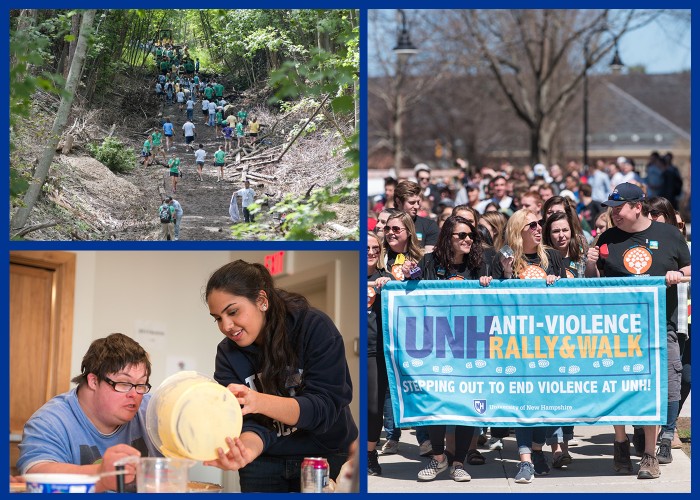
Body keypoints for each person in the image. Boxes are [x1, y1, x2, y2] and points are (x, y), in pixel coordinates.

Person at [202, 260, 357, 492]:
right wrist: (246, 451)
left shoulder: (314, 328)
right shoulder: (227, 354)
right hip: (263, 462)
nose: (226, 326)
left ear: (262, 301)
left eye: (232, 312)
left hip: (323, 454)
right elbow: (247, 423)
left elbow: (323, 408)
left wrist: (258, 401)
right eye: (217, 318)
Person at [585, 182, 690, 479]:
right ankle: (620, 443)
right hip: (618, 328)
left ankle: (649, 454)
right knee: (621, 387)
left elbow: (690, 267)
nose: (614, 214)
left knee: (659, 388)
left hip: (660, 324)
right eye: (611, 209)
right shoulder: (607, 238)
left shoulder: (669, 234)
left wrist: (677, 274)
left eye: (619, 209)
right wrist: (591, 265)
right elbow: (594, 283)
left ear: (637, 207)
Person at [402, 215, 494, 482]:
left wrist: (488, 284)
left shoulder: (479, 264)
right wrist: (407, 276)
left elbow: (496, 298)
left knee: (466, 403)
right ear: (447, 238)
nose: (468, 240)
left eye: (471, 236)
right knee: (435, 401)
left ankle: (458, 462)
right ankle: (438, 457)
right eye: (461, 235)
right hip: (437, 344)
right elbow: (413, 288)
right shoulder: (430, 262)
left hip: (469, 345)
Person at [16, 333, 159, 492]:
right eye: (124, 383)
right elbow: (36, 474)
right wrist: (100, 474)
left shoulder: (152, 410)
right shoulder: (49, 421)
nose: (135, 394)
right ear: (93, 381)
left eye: (141, 384)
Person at [493, 208, 567, 483]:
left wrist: (556, 285)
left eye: (540, 224)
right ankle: (525, 460)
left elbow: (568, 300)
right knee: (524, 401)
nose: (538, 229)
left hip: (549, 342)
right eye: (531, 225)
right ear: (517, 231)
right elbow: (497, 302)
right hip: (517, 343)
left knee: (544, 401)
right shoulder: (502, 257)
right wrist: (505, 274)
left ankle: (537, 451)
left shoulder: (554, 257)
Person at [367, 232, 392, 476]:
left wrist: (390, 286)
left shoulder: (386, 278)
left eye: (376, 248)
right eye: (367, 248)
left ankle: (370, 453)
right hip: (350, 350)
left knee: (374, 407)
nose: (372, 252)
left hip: (376, 351)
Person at [393, 180, 439, 252]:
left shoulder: (429, 226)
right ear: (398, 201)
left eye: (418, 202)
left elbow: (428, 259)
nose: (417, 206)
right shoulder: (384, 223)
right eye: (412, 202)